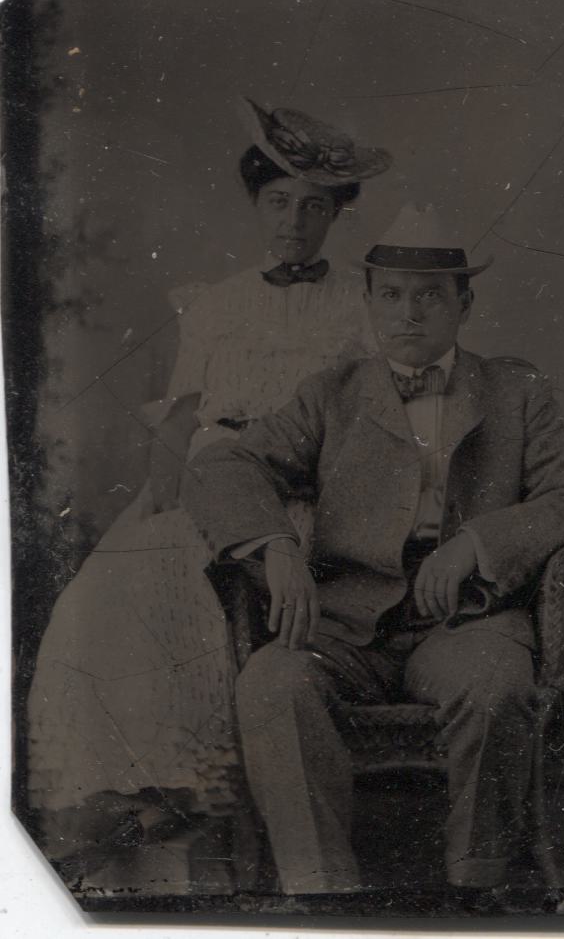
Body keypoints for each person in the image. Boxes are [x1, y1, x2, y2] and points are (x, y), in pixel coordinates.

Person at [182, 205, 564, 900]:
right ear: (370, 301)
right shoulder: (332, 394)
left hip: (464, 619)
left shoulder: (516, 394)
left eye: (430, 295)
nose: (409, 312)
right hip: (345, 626)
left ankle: (476, 892)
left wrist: (478, 543)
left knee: (497, 684)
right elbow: (223, 468)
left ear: (463, 303)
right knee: (272, 684)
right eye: (392, 294)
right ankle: (324, 895)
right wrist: (277, 545)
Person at [26, 101, 392, 870]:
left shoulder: (364, 302)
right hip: (212, 478)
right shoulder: (215, 304)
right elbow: (188, 415)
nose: (294, 222)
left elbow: (377, 421)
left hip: (306, 488)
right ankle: (151, 787)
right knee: (116, 585)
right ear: (257, 205)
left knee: (213, 580)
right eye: (279, 203)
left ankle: (203, 794)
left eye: (313, 207)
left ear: (336, 215)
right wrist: (166, 494)